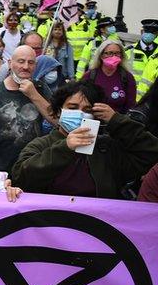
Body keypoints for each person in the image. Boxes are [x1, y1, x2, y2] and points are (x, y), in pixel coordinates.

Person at [12, 81, 158, 199]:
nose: (80, 114)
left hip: (96, 228)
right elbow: (20, 178)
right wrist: (64, 148)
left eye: (87, 110)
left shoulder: (105, 148)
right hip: (51, 226)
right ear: (58, 111)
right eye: (73, 107)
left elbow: (151, 154)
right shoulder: (41, 145)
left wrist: (117, 122)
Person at [0, 45, 53, 173]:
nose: (25, 66)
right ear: (9, 63)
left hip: (29, 166)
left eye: (31, 62)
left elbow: (57, 120)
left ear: (35, 66)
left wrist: (34, 95)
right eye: (21, 61)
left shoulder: (41, 89)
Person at [82, 40, 136, 114]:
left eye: (117, 53)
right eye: (110, 53)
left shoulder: (127, 77)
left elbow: (130, 105)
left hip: (117, 122)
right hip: (92, 121)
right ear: (101, 56)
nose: (113, 56)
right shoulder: (89, 76)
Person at [130, 19, 158, 97]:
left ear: (156, 34)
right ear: (142, 32)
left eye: (153, 32)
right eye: (147, 31)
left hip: (152, 97)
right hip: (131, 95)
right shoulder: (129, 50)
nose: (149, 34)